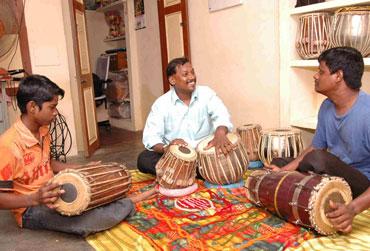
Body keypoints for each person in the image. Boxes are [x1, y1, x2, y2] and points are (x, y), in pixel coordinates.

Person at [0, 75, 156, 237]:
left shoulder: (42, 131)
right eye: (52, 107)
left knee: (96, 190)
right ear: (32, 107)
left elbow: (48, 163)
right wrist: (34, 199)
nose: (55, 113)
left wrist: (82, 168)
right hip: (30, 209)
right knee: (94, 220)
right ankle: (128, 204)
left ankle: (119, 205)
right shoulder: (8, 144)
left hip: (54, 191)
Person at [267, 47, 370, 233]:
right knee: (281, 161)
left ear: (338, 76)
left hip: (362, 183)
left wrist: (353, 209)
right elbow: (315, 146)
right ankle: (302, 176)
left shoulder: (367, 112)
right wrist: (284, 171)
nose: (315, 76)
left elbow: (316, 154)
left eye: (321, 71)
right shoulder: (327, 106)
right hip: (335, 172)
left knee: (318, 159)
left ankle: (313, 181)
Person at [137, 57, 233, 175]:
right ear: (172, 80)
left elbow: (222, 114)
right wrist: (167, 148)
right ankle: (195, 172)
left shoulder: (206, 93)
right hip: (177, 157)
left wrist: (220, 133)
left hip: (205, 153)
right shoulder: (161, 104)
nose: (192, 77)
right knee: (144, 159)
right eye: (185, 74)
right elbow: (151, 137)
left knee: (228, 150)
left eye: (192, 72)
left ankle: (180, 173)